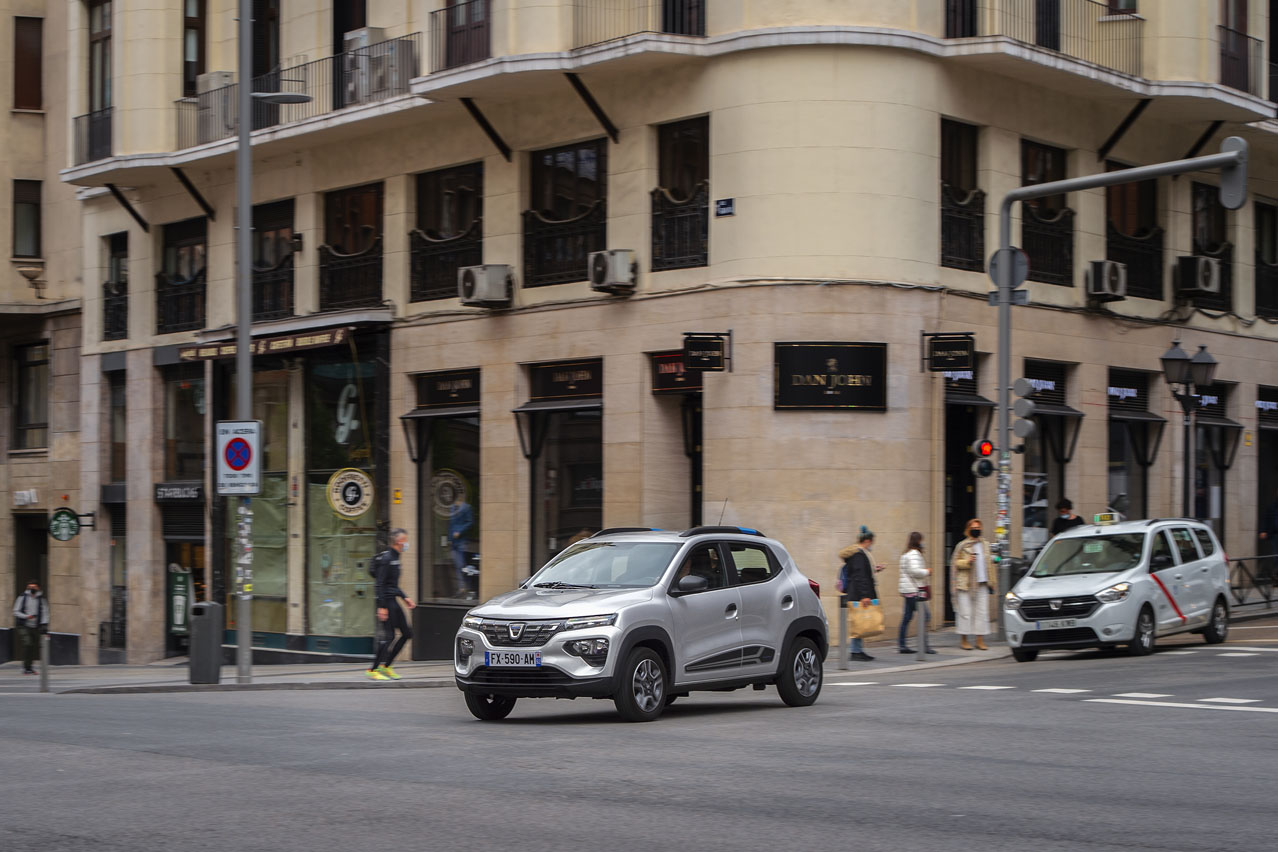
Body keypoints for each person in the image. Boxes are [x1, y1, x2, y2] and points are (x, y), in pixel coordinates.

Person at [367, 529, 416, 681]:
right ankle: (373, 670)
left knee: (407, 633)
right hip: (386, 602)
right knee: (389, 636)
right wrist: (381, 607)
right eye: (405, 540)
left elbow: (392, 585)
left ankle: (386, 666)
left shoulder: (396, 557)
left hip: (393, 600)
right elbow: (379, 584)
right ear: (398, 542)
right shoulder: (387, 558)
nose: (407, 543)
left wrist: (405, 597)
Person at [950, 518, 995, 651]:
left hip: (982, 583)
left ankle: (979, 640)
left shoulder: (985, 544)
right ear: (968, 530)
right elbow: (955, 563)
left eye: (978, 528)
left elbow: (989, 564)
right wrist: (967, 561)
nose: (976, 530)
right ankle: (964, 640)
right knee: (965, 612)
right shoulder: (962, 545)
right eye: (974, 528)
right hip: (966, 584)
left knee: (982, 612)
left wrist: (992, 581)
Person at [839, 526, 883, 662]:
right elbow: (860, 576)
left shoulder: (857, 554)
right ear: (867, 541)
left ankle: (857, 650)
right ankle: (855, 652)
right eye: (872, 542)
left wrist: (874, 570)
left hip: (856, 592)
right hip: (858, 594)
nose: (872, 545)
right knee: (859, 622)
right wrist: (864, 595)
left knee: (860, 621)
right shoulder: (859, 555)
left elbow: (860, 572)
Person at [897, 532, 936, 655]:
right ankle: (924, 646)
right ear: (918, 541)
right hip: (915, 591)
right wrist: (927, 571)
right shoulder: (914, 554)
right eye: (921, 540)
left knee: (907, 617)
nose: (923, 543)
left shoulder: (906, 554)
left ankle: (902, 645)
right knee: (925, 616)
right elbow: (915, 571)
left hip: (908, 590)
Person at [12, 579, 49, 675]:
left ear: (38, 588)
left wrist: (44, 625)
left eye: (34, 587)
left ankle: (29, 667)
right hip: (23, 625)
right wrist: (26, 616)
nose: (32, 589)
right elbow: (15, 611)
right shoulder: (22, 597)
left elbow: (45, 613)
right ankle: (26, 667)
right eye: (30, 587)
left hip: (35, 626)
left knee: (32, 646)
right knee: (28, 643)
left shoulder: (41, 599)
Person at [448, 494, 475, 598]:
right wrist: (450, 539)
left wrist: (460, 531)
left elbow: (470, 522)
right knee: (457, 565)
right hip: (454, 542)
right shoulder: (452, 508)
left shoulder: (467, 508)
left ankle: (466, 588)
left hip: (462, 541)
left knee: (462, 565)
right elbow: (450, 524)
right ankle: (462, 588)